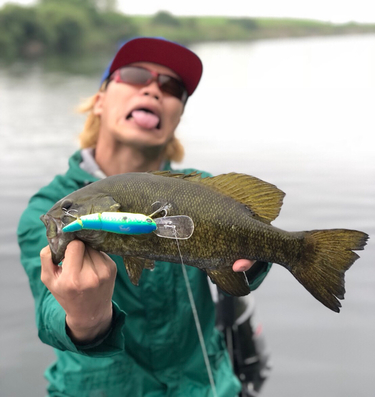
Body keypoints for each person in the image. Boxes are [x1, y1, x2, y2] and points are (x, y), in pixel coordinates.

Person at [17, 37, 272, 397]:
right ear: (100, 100)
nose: (153, 90)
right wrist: (84, 318)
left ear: (177, 117)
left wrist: (256, 260)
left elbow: (244, 272)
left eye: (172, 88)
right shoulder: (53, 206)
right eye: (136, 75)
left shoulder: (202, 189)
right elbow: (49, 310)